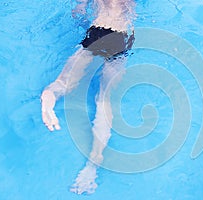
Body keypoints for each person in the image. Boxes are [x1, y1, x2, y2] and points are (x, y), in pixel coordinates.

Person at [40, 0, 136, 194]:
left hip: (98, 32)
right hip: (122, 36)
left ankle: (48, 100)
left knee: (63, 83)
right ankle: (92, 166)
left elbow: (78, 13)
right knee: (104, 100)